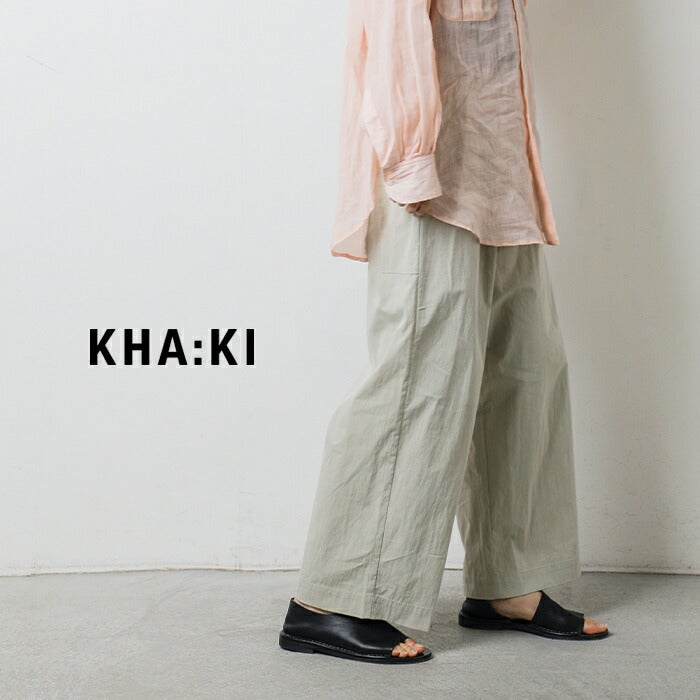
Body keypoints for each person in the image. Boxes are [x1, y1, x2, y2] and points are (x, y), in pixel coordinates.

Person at [279, 0, 609, 663]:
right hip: (431, 169)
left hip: (500, 164)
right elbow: (391, 29)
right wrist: (411, 161)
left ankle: (507, 583)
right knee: (418, 375)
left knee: (526, 366)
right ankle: (334, 599)